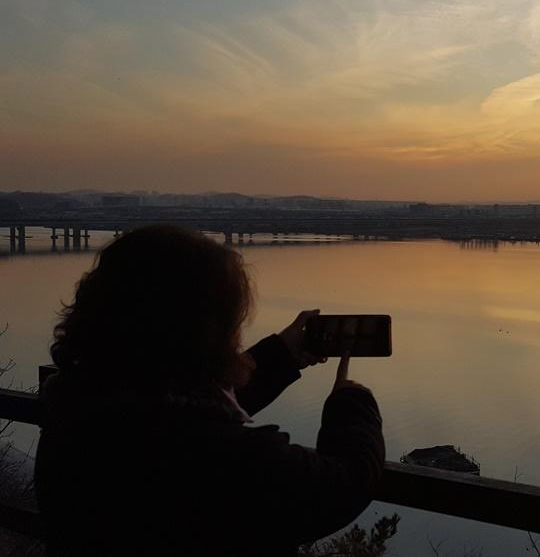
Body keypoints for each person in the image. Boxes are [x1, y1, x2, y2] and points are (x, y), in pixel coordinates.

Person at [34, 225, 385, 556]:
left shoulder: (77, 405)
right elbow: (342, 484)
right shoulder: (220, 455)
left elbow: (182, 406)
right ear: (199, 332)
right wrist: (350, 403)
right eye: (229, 321)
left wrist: (281, 354)